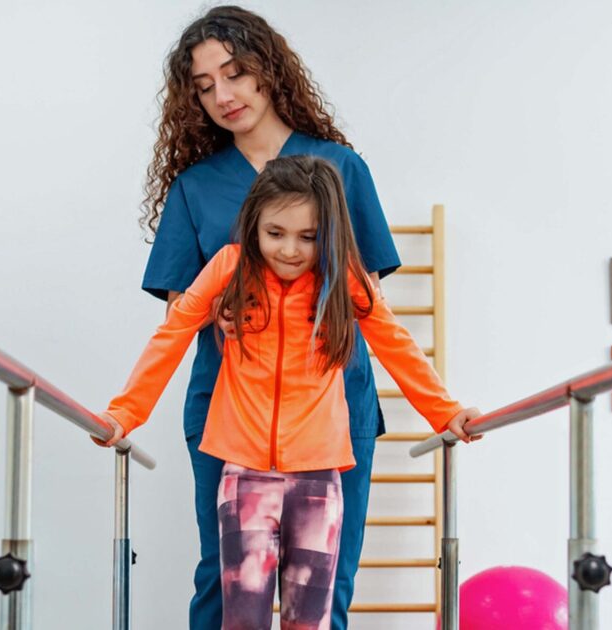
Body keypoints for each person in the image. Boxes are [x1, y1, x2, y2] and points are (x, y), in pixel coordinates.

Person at [101, 155, 479, 628]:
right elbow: (172, 336)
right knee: (243, 619)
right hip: (245, 479)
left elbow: (396, 344)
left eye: (308, 237)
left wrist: (447, 414)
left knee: (309, 621)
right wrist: (124, 414)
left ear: (329, 234)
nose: (290, 250)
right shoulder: (229, 267)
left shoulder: (342, 279)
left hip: (319, 480)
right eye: (275, 233)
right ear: (253, 223)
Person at [136, 6, 402, 628]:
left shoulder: (340, 167)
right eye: (204, 87)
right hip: (229, 410)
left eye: (236, 73)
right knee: (223, 582)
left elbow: (367, 295)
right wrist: (215, 309)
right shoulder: (195, 187)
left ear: (269, 70)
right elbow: (180, 305)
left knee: (326, 583)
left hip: (333, 406)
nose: (223, 95)